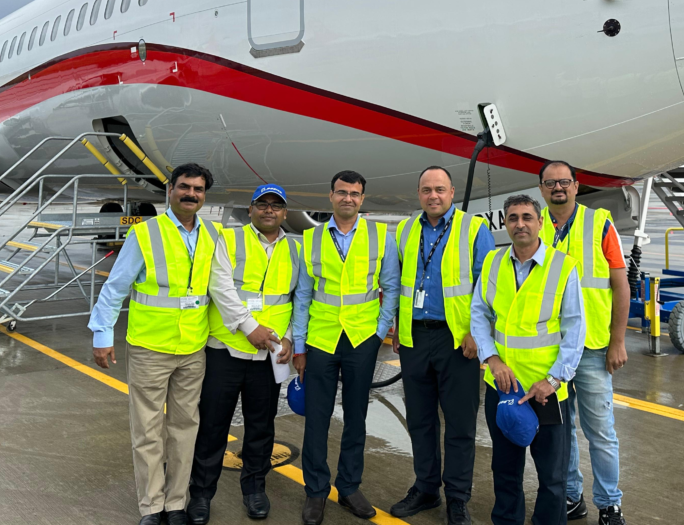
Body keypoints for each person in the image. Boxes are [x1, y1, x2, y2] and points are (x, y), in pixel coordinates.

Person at [89, 163, 221, 525]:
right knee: (147, 431)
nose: (190, 194)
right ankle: (152, 506)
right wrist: (103, 335)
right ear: (170, 190)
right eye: (184, 187)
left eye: (197, 189)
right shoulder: (146, 234)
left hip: (193, 349)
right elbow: (115, 287)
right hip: (150, 347)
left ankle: (176, 503)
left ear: (204, 195)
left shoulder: (212, 235)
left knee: (184, 429)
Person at [293, 170, 401, 525]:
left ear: (362, 199)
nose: (348, 199)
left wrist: (379, 331)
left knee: (357, 417)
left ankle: (349, 486)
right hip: (321, 338)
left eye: (355, 193)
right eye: (342, 192)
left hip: (361, 339)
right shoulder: (311, 238)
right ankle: (316, 491)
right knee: (317, 419)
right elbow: (304, 296)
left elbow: (391, 287)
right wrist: (299, 345)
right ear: (331, 196)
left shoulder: (380, 236)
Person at [470, 193, 586, 525]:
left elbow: (575, 328)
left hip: (546, 391)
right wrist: (491, 359)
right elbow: (478, 314)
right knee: (505, 471)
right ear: (505, 224)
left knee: (552, 478)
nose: (520, 224)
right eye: (513, 218)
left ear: (540, 222)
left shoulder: (563, 267)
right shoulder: (493, 262)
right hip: (503, 387)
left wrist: (553, 380)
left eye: (527, 217)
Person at [186, 183, 298, 524]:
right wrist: (250, 327)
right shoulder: (230, 239)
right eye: (261, 205)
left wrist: (292, 337)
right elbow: (219, 286)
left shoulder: (297, 248)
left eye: (275, 206)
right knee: (212, 426)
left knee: (261, 428)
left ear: (284, 213)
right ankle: (201, 495)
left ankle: (254, 490)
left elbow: (299, 298)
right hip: (226, 349)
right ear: (250, 210)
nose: (268, 210)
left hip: (269, 355)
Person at [389, 166, 495, 525]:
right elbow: (396, 283)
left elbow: (486, 285)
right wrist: (398, 329)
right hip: (415, 337)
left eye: (439, 189)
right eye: (426, 190)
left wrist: (476, 335)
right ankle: (426, 487)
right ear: (418, 194)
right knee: (419, 421)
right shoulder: (405, 230)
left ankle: (458, 497)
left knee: (460, 424)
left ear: (451, 192)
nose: (433, 196)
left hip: (457, 342)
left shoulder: (474, 229)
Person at [538, 161, 630, 525]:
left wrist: (617, 340)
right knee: (562, 432)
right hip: (552, 348)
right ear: (541, 188)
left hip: (592, 348)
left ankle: (609, 504)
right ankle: (572, 498)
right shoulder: (535, 225)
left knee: (601, 434)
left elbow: (620, 284)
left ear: (577, 186)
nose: (558, 188)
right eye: (551, 183)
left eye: (564, 182)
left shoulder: (600, 224)